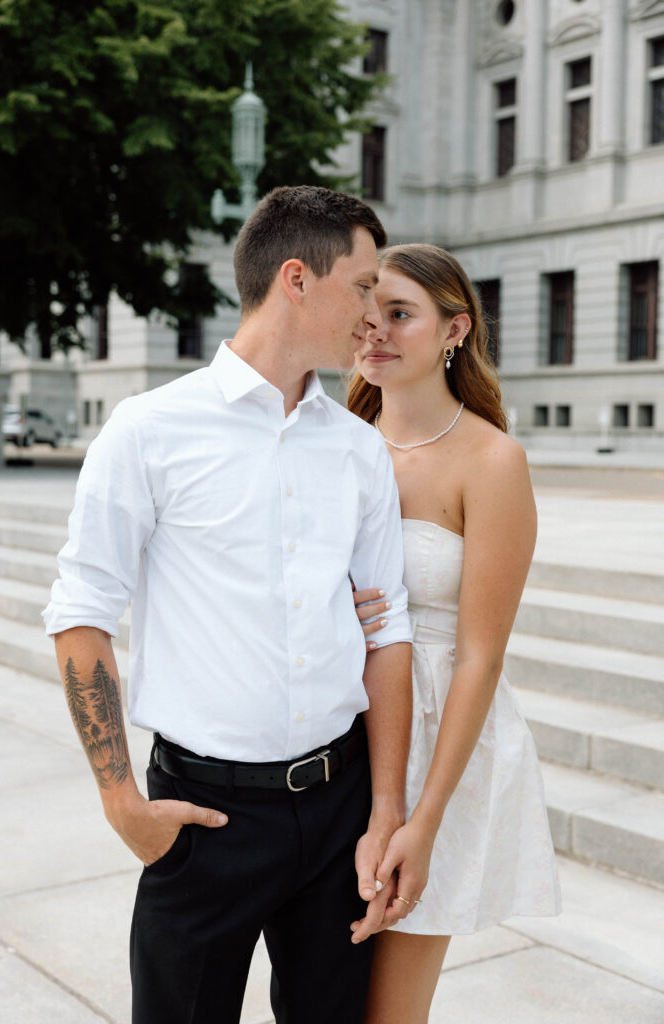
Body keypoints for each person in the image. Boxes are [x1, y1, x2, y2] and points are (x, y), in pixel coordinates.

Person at [41, 186, 416, 1024]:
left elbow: (386, 628)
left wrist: (384, 811)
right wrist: (120, 802)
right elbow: (80, 611)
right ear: (296, 279)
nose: (373, 316)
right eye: (361, 288)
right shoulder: (148, 430)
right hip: (205, 817)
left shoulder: (358, 448)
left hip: (338, 808)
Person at [347, 243, 561, 1023]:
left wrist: (422, 818)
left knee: (387, 1008)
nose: (373, 331)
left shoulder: (492, 460)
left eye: (398, 314)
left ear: (454, 330)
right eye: (365, 314)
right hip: (331, 730)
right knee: (316, 991)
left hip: (437, 744)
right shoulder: (334, 440)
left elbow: (480, 655)